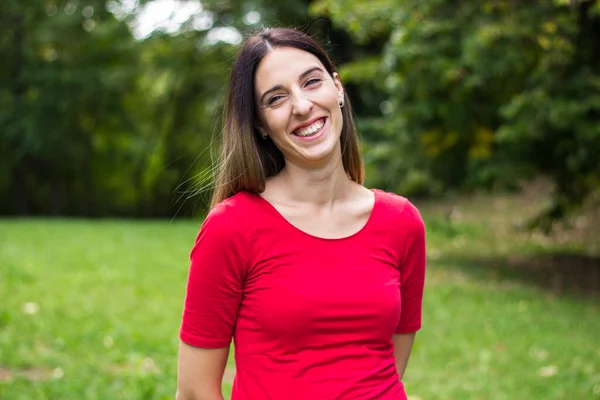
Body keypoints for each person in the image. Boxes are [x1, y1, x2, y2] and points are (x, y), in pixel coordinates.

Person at [176, 27, 426, 400]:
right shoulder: (232, 227)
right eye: (276, 98)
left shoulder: (401, 222)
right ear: (260, 124)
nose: (302, 105)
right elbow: (195, 391)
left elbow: (392, 361)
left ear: (337, 88)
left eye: (311, 82)